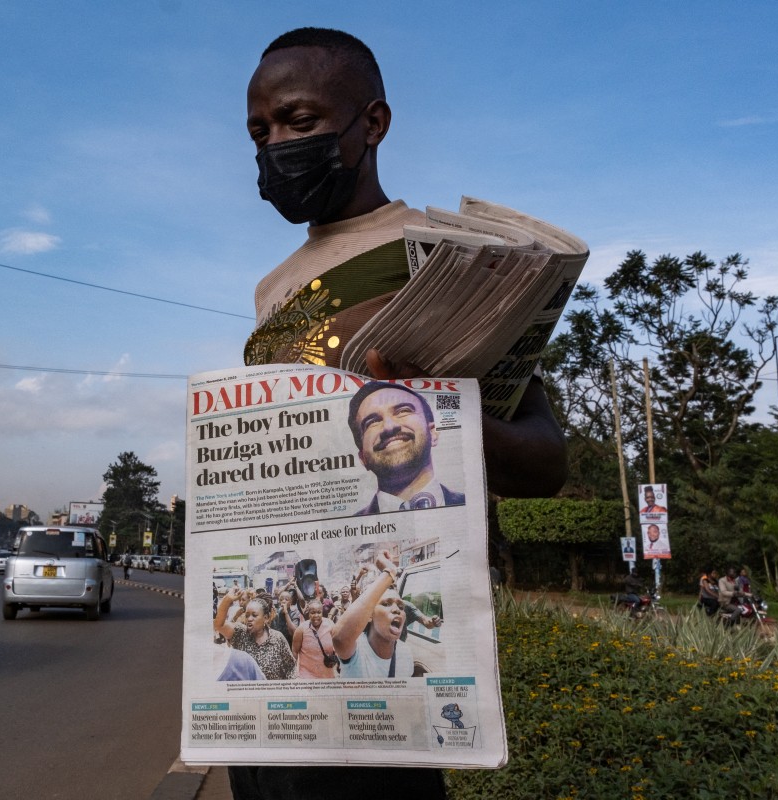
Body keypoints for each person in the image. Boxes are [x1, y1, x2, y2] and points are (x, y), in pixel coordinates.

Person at [232, 26, 568, 800]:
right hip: (288, 655)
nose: (276, 145)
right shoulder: (270, 289)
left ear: (373, 123)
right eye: (260, 132)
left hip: (383, 652)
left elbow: (545, 461)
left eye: (299, 121)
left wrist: (435, 411)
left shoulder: (446, 262)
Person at [348, 381, 465, 514]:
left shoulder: (475, 503)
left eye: (403, 411)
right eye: (372, 422)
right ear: (363, 458)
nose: (389, 426)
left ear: (432, 433)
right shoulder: (349, 526)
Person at [331, 550, 413, 678]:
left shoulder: (405, 654)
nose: (396, 609)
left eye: (401, 606)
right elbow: (339, 638)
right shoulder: (357, 648)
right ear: (369, 615)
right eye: (386, 604)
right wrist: (390, 571)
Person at [214, 587, 296, 680]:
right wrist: (227, 600)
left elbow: (291, 669)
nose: (249, 619)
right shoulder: (240, 633)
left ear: (266, 618)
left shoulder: (277, 638)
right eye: (247, 615)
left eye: (254, 615)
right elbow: (219, 625)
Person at [291, 600, 338, 678]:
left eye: (319, 612)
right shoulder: (301, 629)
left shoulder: (330, 625)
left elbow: (337, 646)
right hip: (306, 675)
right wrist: (293, 672)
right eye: (312, 613)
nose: (316, 615)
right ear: (308, 614)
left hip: (327, 675)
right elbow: (295, 651)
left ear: (322, 613)